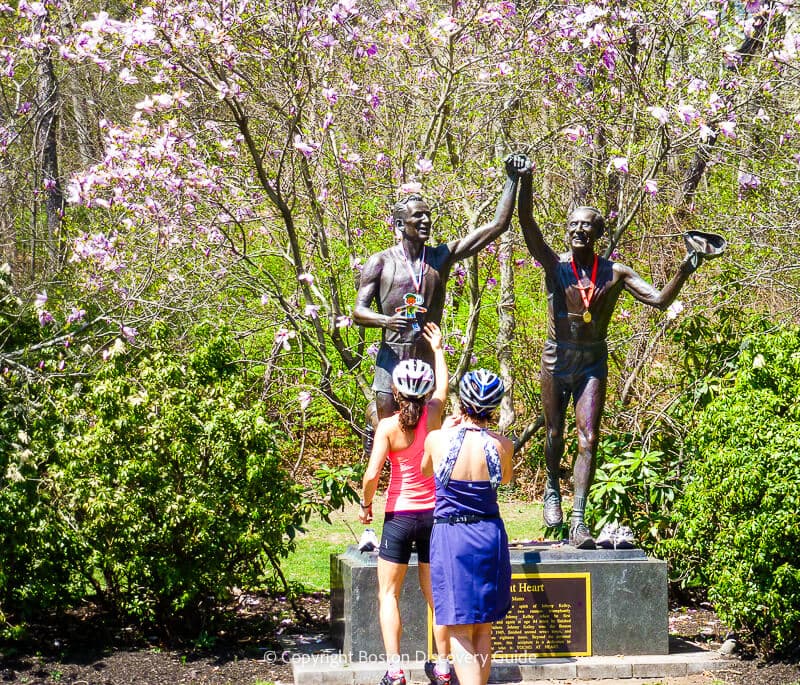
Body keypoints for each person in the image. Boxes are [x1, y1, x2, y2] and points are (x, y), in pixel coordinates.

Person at [516, 155, 709, 549]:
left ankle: (579, 519)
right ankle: (552, 486)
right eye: (573, 225)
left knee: (589, 438)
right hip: (556, 357)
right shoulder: (555, 266)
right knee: (554, 432)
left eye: (587, 225)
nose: (578, 230)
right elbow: (527, 226)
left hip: (592, 361)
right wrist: (525, 181)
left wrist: (687, 267)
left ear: (598, 232)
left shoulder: (616, 272)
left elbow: (657, 299)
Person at [354, 154, 529, 455]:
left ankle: (425, 487)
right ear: (399, 223)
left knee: (425, 430)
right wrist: (385, 321)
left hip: (425, 355)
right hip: (391, 353)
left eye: (428, 215)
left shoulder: (440, 258)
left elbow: (497, 225)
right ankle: (373, 430)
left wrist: (512, 179)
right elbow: (358, 312)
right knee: (385, 423)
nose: (425, 221)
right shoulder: (380, 262)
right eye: (417, 216)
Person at [359, 322, 454, 685]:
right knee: (436, 595)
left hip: (399, 517)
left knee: (388, 594)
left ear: (396, 392)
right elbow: (443, 387)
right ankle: (443, 667)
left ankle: (396, 670)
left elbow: (371, 476)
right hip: (433, 516)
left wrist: (367, 506)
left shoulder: (387, 427)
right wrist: (439, 348)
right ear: (424, 391)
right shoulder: (433, 416)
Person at [421, 369, 514, 685]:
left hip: (453, 536)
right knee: (484, 627)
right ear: (494, 407)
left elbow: (425, 468)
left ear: (461, 402)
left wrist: (446, 427)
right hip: (489, 535)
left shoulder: (437, 439)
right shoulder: (503, 445)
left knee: (459, 629)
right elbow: (506, 478)